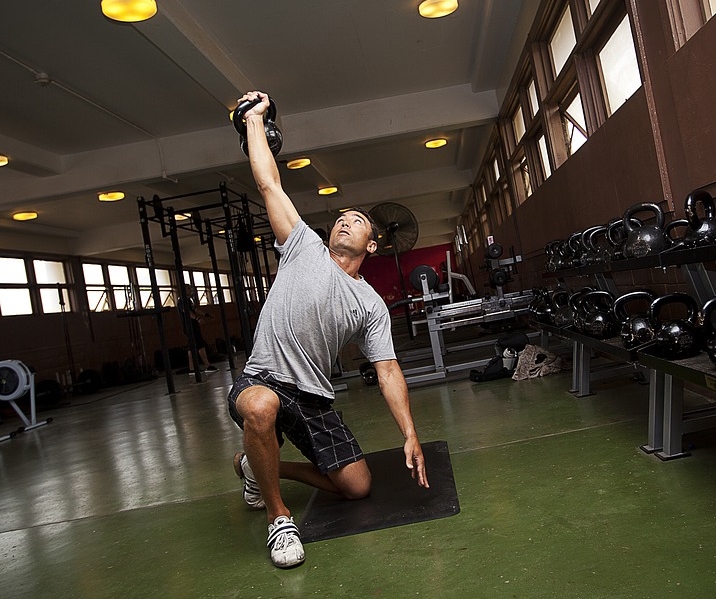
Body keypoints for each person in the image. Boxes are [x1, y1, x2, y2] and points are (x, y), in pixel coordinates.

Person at [226, 91, 430, 569]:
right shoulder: (303, 246)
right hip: (263, 379)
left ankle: (258, 469)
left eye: (356, 221)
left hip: (313, 397)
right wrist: (253, 120)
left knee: (357, 487)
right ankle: (279, 518)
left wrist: (410, 433)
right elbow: (269, 183)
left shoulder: (370, 303)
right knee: (260, 407)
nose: (344, 222)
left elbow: (387, 370)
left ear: (372, 245)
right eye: (341, 218)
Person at [177, 283, 217, 373]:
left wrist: (207, 315)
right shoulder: (182, 301)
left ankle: (192, 368)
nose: (190, 290)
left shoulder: (189, 300)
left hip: (193, 326)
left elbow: (195, 309)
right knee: (200, 344)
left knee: (192, 346)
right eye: (188, 289)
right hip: (190, 327)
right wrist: (197, 318)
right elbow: (187, 312)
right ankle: (207, 365)